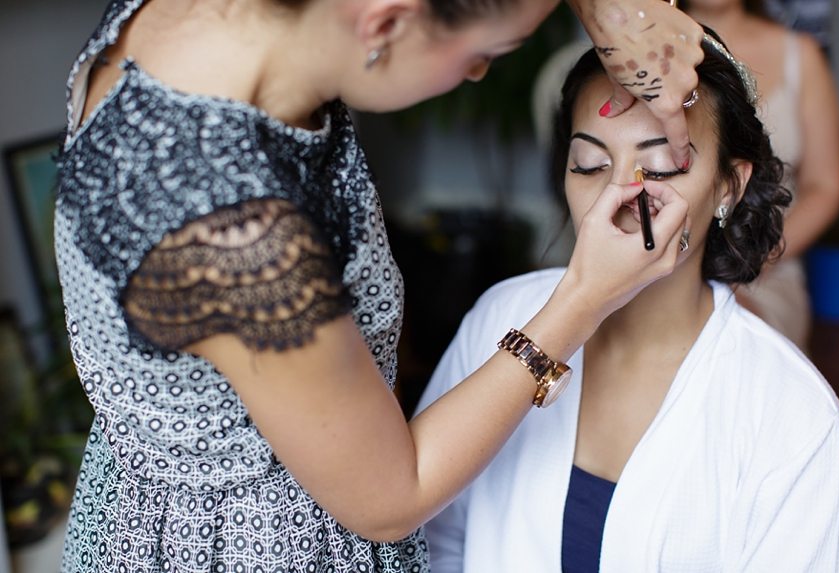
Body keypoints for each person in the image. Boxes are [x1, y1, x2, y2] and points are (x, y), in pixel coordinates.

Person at [55, 0, 706, 570]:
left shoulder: (231, 25)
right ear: (387, 20)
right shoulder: (228, 229)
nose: (480, 74)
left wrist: (610, 8)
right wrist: (584, 296)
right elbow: (395, 495)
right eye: (487, 53)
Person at [418, 33, 839, 572]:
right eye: (588, 163)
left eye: (664, 165)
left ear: (728, 187)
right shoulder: (501, 318)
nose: (619, 195)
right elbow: (433, 539)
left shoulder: (794, 415)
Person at [680, 0, 839, 350]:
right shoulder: (644, 51)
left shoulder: (800, 55)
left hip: (767, 267)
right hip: (666, 258)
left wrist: (757, 257)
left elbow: (826, 185)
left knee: (731, 334)